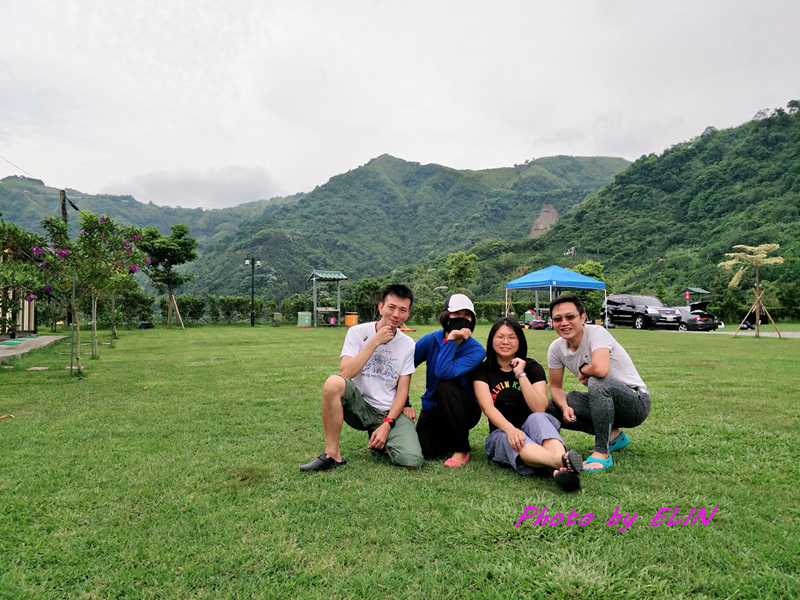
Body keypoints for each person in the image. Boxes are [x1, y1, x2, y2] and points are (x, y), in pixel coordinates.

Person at [300, 284, 424, 472]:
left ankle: (382, 443)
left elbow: (403, 391)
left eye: (403, 310)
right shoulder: (357, 333)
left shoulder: (408, 344)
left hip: (388, 411)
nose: (396, 314)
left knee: (412, 461)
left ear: (408, 314)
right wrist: (375, 342)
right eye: (391, 307)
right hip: (360, 406)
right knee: (334, 383)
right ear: (381, 307)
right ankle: (332, 454)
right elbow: (346, 373)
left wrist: (387, 424)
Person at [472, 317, 583, 492]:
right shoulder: (482, 370)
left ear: (520, 341)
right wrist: (510, 429)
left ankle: (560, 466)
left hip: (536, 430)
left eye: (512, 337)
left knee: (537, 418)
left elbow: (539, 407)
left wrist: (520, 374)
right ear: (492, 339)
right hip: (501, 432)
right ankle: (560, 462)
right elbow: (487, 407)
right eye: (500, 337)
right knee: (507, 437)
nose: (505, 342)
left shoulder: (532, 368)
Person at [545, 293, 651, 472]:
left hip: (635, 403)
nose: (564, 323)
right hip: (604, 403)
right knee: (552, 407)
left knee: (597, 381)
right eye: (558, 319)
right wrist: (564, 407)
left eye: (570, 317)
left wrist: (584, 370)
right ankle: (614, 436)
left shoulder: (596, 333)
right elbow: (555, 387)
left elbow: (601, 369)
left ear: (583, 317)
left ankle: (602, 452)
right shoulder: (556, 348)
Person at [414, 294, 485, 467]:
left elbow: (444, 372)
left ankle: (461, 449)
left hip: (464, 409)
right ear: (446, 315)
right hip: (434, 408)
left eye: (467, 315)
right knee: (427, 452)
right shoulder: (431, 340)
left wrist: (451, 339)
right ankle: (446, 437)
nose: (462, 319)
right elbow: (405, 367)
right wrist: (405, 403)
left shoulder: (476, 350)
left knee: (445, 384)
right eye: (456, 313)